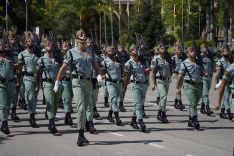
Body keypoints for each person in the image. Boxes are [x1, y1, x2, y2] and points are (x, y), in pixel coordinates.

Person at [54, 29, 101, 146]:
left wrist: (99, 76)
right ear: (76, 40)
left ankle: (84, 132)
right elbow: (63, 68)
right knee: (80, 108)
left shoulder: (91, 52)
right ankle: (80, 134)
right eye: (81, 36)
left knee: (86, 107)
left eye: (85, 36)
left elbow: (96, 66)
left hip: (88, 82)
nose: (84, 37)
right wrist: (57, 82)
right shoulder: (71, 52)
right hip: (77, 81)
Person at [36, 38, 62, 134]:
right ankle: (51, 123)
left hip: (57, 83)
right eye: (48, 45)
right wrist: (37, 85)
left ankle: (52, 119)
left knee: (55, 104)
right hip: (47, 83)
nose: (50, 46)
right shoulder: (42, 60)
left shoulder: (58, 58)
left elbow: (63, 68)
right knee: (50, 103)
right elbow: (38, 73)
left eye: (51, 45)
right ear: (45, 48)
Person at [124, 44, 149, 132]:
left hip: (144, 84)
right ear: (130, 52)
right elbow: (127, 75)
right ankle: (141, 122)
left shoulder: (142, 61)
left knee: (139, 103)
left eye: (136, 49)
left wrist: (148, 70)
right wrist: (125, 86)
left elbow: (146, 71)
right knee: (138, 105)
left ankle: (133, 121)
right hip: (135, 84)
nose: (136, 51)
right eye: (133, 50)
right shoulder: (128, 63)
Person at [176, 47, 203, 129]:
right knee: (193, 103)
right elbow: (180, 77)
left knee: (194, 104)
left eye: (194, 51)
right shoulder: (184, 63)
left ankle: (190, 120)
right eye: (191, 51)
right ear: (187, 53)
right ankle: (195, 120)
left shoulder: (198, 62)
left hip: (199, 85)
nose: (193, 52)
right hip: (189, 85)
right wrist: (178, 88)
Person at [18, 32, 39, 128]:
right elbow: (19, 68)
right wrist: (18, 81)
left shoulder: (36, 54)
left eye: (31, 41)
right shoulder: (22, 54)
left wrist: (38, 82)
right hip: (27, 77)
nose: (30, 43)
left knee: (34, 98)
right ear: (25, 43)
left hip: (36, 77)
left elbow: (39, 68)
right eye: (28, 41)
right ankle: (32, 116)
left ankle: (32, 113)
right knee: (30, 97)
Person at [0, 39, 20, 135]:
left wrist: (15, 65)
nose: (2, 46)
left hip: (10, 83)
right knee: (3, 105)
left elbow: (18, 67)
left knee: (8, 105)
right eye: (0, 45)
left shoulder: (10, 57)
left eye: (3, 44)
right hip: (1, 84)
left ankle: (4, 121)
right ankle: (4, 124)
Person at [101, 46, 123, 126]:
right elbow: (102, 73)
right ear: (106, 53)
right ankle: (117, 119)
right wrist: (101, 79)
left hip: (119, 83)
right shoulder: (105, 62)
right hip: (110, 83)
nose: (111, 51)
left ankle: (109, 115)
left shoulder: (118, 60)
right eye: (109, 50)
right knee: (114, 100)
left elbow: (122, 70)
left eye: (112, 50)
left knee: (114, 100)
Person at [151, 43, 171, 123]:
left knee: (163, 98)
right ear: (158, 50)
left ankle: (159, 113)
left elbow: (169, 69)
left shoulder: (167, 59)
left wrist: (169, 78)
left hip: (166, 80)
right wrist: (153, 83)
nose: (164, 49)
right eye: (161, 48)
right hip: (159, 80)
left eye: (164, 48)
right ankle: (163, 114)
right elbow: (152, 72)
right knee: (164, 97)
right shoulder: (155, 59)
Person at [214, 46, 233, 120]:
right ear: (222, 53)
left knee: (226, 96)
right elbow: (217, 74)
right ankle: (229, 112)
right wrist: (216, 83)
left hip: (230, 82)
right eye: (225, 51)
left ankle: (222, 112)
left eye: (227, 51)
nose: (227, 52)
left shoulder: (230, 61)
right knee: (227, 97)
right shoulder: (220, 62)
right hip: (223, 82)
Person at [199, 43, 214, 116]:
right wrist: (203, 72)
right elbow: (199, 67)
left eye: (206, 47)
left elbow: (212, 65)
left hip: (210, 77)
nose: (205, 49)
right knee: (205, 93)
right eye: (203, 48)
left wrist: (213, 70)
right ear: (201, 49)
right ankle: (207, 107)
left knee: (206, 93)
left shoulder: (209, 57)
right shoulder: (199, 57)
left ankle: (202, 107)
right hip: (203, 78)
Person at [60, 41, 73, 126]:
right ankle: (68, 116)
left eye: (67, 46)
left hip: (71, 79)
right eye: (64, 46)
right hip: (63, 79)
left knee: (71, 96)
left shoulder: (71, 55)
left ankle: (66, 115)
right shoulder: (59, 56)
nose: (66, 47)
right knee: (67, 98)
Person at [171, 45, 186, 110]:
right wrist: (174, 70)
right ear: (175, 51)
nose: (179, 51)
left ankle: (176, 102)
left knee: (179, 89)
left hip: (181, 75)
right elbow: (170, 67)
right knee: (178, 89)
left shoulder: (183, 58)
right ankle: (180, 102)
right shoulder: (173, 58)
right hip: (175, 75)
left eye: (180, 50)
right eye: (177, 50)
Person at [116, 44, 130, 112]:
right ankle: (114, 104)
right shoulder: (115, 55)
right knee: (117, 90)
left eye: (121, 47)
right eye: (119, 48)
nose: (120, 49)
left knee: (124, 89)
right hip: (118, 74)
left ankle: (121, 103)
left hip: (125, 74)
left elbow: (129, 62)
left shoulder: (126, 55)